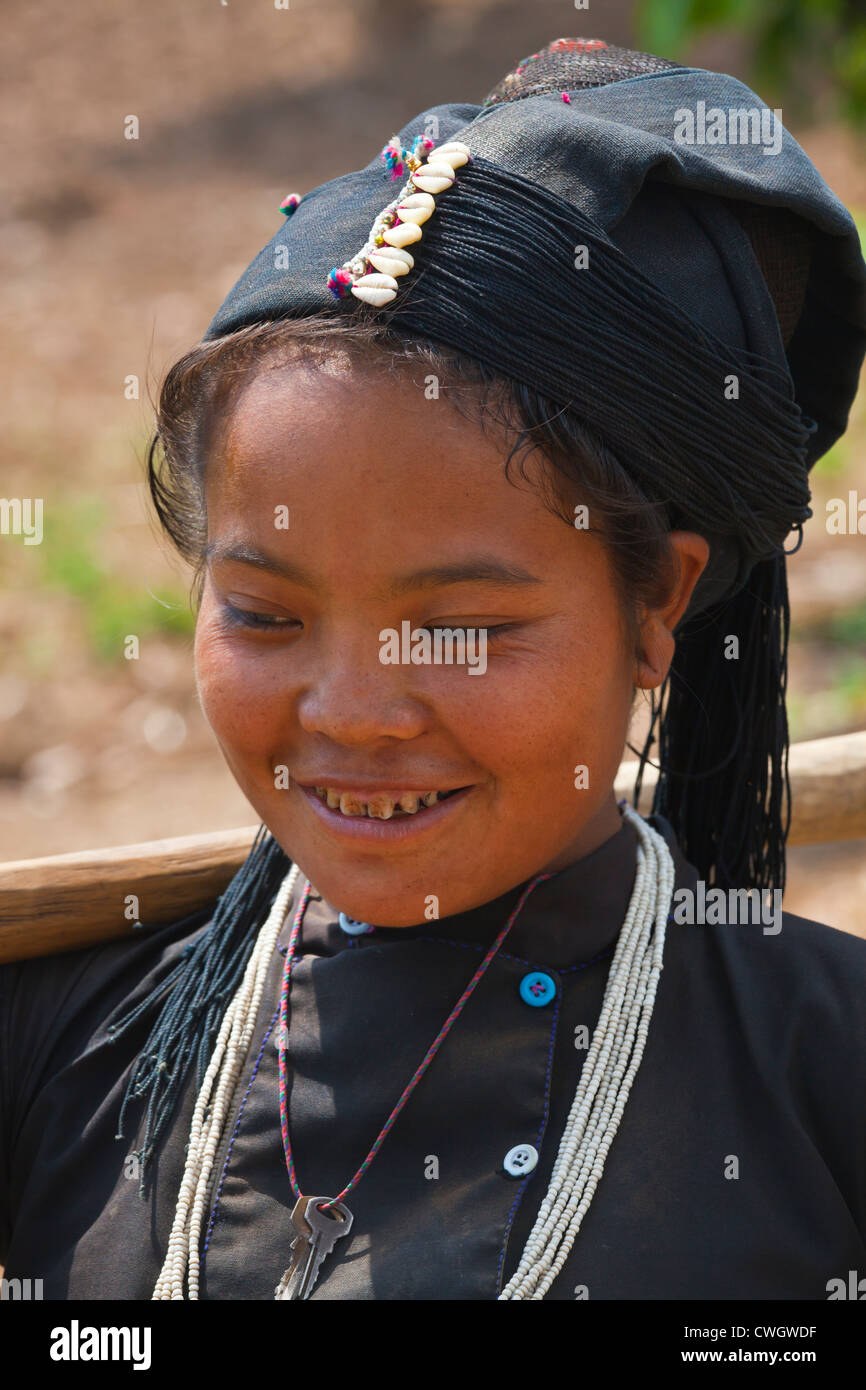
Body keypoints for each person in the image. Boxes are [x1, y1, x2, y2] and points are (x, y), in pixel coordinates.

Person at [1, 36, 865, 1301]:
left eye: (458, 628)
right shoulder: (67, 1040)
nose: (352, 710)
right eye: (264, 614)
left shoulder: (820, 1077)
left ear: (656, 601)